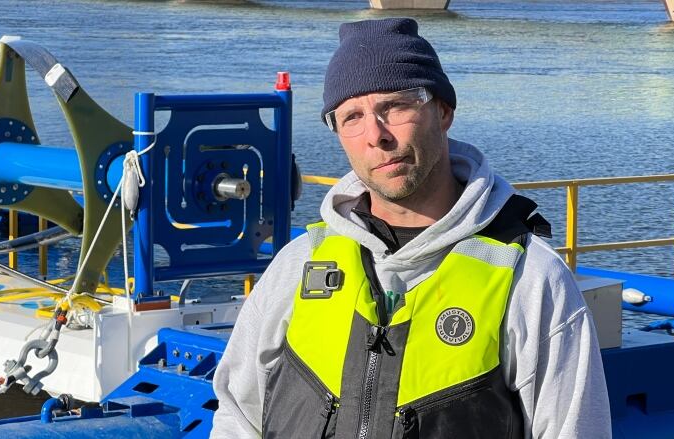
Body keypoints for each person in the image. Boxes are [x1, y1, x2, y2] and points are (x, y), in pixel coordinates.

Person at [211, 17, 611, 439]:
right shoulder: (299, 265)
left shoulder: (529, 279)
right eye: (351, 117)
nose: (375, 135)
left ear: (442, 110)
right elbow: (237, 417)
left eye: (394, 106)